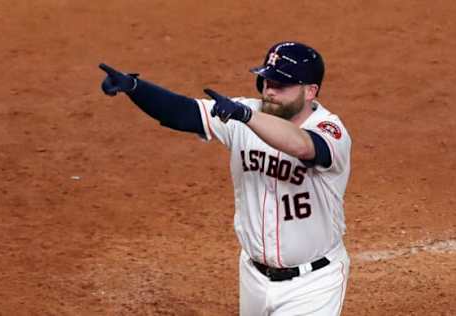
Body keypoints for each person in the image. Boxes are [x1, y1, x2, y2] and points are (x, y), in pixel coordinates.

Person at [99, 41, 352, 316]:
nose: (269, 91)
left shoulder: (330, 130)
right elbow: (184, 113)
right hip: (253, 277)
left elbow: (302, 146)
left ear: (310, 91)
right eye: (266, 81)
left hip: (312, 285)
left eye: (281, 85)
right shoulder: (244, 113)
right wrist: (136, 88)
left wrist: (246, 117)